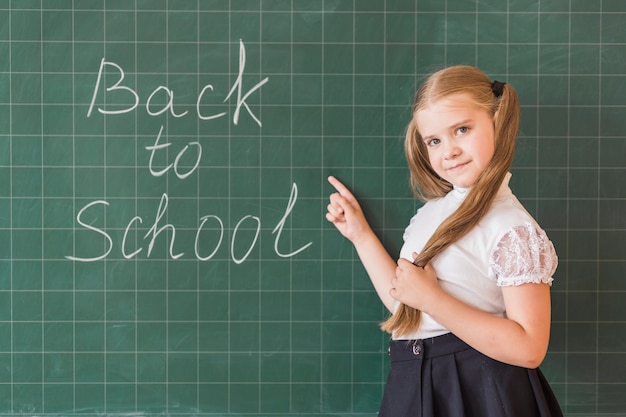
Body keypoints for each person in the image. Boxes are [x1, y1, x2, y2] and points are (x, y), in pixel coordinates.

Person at [326, 65, 563, 417]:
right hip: (413, 381)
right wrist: (360, 235)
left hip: (477, 387)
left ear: (496, 121)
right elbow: (404, 304)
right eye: (434, 141)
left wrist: (431, 298)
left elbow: (529, 347)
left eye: (462, 130)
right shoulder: (431, 213)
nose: (448, 151)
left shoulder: (513, 229)